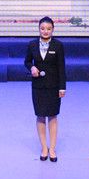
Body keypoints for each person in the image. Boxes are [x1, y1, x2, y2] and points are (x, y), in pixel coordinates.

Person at [24, 16, 66, 162]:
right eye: (42, 28)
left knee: (52, 116)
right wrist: (32, 67)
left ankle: (52, 149)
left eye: (48, 29)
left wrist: (62, 87)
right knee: (40, 115)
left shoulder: (58, 45)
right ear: (39, 29)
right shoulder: (32, 44)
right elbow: (27, 61)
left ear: (53, 30)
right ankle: (44, 148)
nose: (45, 31)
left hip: (53, 87)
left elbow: (61, 68)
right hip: (38, 87)